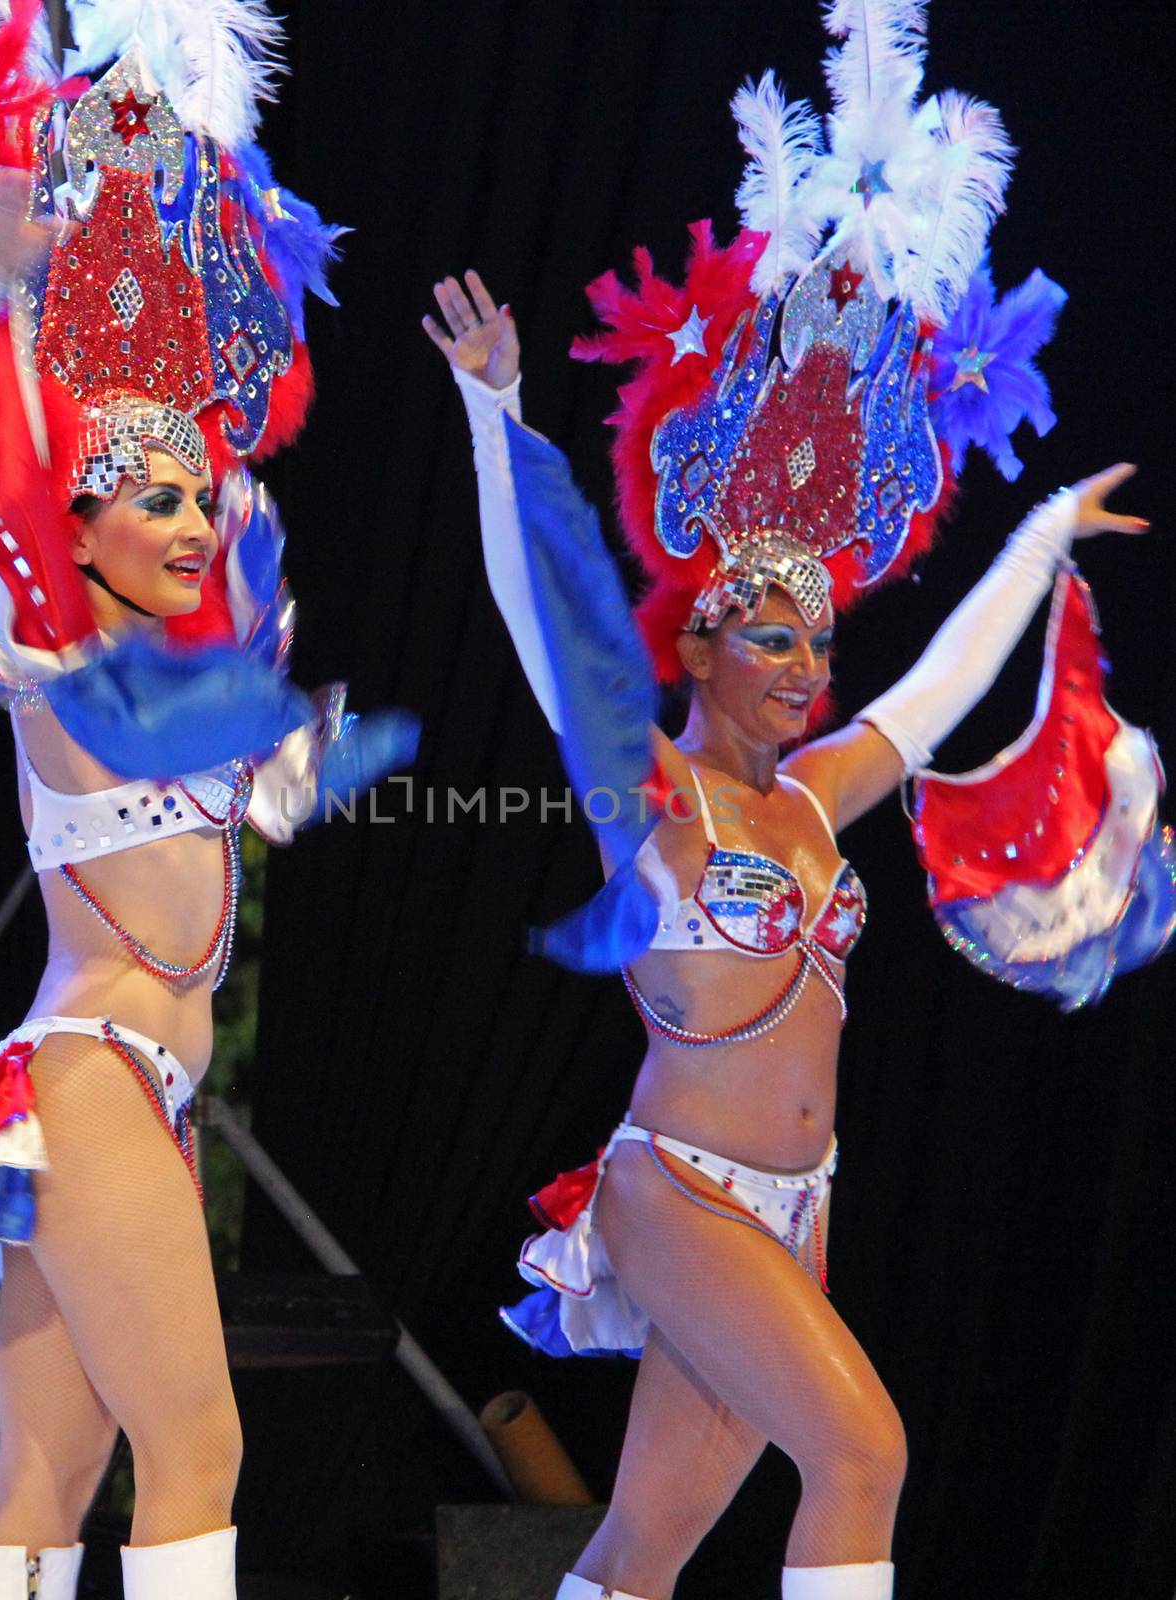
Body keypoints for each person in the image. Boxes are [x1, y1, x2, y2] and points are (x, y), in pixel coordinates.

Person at [421, 8, 1157, 1595]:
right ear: (700, 636)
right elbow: (536, 618)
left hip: (792, 1203)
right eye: (770, 630)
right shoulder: (647, 778)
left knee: (643, 1549)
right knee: (863, 1453)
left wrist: (1035, 542)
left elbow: (936, 691)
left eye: (816, 632)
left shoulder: (822, 795)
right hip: (676, 1187)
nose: (804, 659)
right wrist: (497, 419)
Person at [0, 6, 411, 1597]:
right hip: (92, 1070)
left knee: (47, 1466)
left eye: (193, 494)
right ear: (74, 531)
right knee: (198, 1452)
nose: (184, 517)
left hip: (136, 1088)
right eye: (145, 499)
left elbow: (280, 760)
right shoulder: (49, 651)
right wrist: (0, 307)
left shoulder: (196, 680)